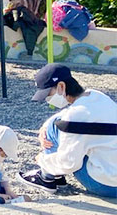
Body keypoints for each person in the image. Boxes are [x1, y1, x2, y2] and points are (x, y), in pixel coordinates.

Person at [20, 64, 117, 197]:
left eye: (48, 94)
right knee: (54, 125)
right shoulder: (96, 96)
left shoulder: (74, 117)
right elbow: (66, 115)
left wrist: (43, 159)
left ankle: (46, 177)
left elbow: (70, 163)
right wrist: (46, 124)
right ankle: (55, 175)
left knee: (54, 129)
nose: (48, 100)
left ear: (61, 86)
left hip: (106, 185)